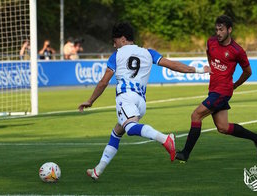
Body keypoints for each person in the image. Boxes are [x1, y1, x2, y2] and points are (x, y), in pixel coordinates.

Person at [78, 22, 210, 180]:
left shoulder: (117, 55)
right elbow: (173, 65)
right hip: (140, 101)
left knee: (130, 128)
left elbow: (104, 82)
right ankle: (98, 170)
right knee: (117, 132)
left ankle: (165, 139)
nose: (114, 45)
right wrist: (200, 69)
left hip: (125, 97)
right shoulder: (149, 53)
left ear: (123, 39)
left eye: (115, 41)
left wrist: (90, 100)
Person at [175, 15, 257, 163]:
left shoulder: (237, 50)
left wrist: (235, 85)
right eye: (216, 29)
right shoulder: (211, 42)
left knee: (196, 115)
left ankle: (185, 154)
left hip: (223, 91)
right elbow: (208, 52)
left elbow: (248, 72)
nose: (218, 33)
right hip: (213, 89)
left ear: (229, 30)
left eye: (221, 29)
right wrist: (210, 66)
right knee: (223, 127)